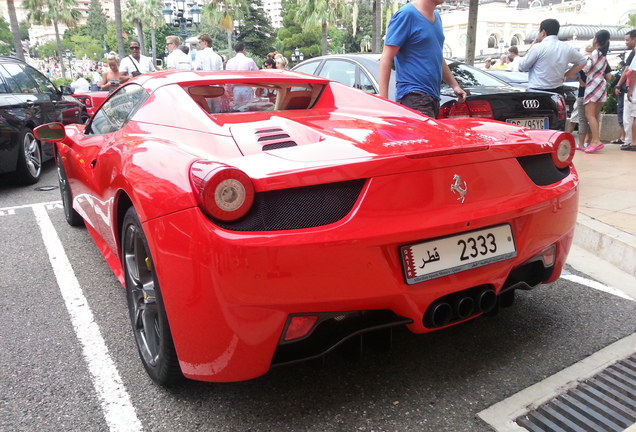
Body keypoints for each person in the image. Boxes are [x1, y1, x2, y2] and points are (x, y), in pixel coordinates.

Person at [378, 0, 466, 118]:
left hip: (433, 97)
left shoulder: (437, 17)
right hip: (414, 97)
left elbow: (437, 56)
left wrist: (455, 85)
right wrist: (383, 102)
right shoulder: (406, 14)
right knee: (423, 137)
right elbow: (386, 57)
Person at [519, 19, 586, 96]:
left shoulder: (537, 47)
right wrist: (566, 74)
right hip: (557, 91)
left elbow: (521, 67)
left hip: (537, 91)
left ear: (543, 32)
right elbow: (582, 61)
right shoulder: (567, 48)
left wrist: (531, 46)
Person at [582, 30, 612, 153]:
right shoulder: (604, 55)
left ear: (595, 39)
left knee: (590, 115)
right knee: (594, 115)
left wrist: (581, 63)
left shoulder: (595, 53)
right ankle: (594, 141)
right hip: (600, 85)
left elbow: (587, 68)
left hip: (593, 85)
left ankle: (596, 141)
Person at [616, 30, 636, 151]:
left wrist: (627, 89)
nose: (626, 43)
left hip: (632, 91)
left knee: (631, 117)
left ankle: (631, 141)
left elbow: (630, 72)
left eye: (627, 40)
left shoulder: (633, 54)